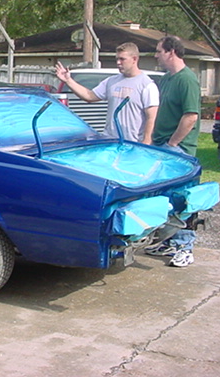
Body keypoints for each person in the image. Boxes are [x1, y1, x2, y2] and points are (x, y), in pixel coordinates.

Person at [145, 35, 201, 267]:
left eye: (159, 51)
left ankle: (185, 248)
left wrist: (173, 144)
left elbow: (191, 117)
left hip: (178, 150)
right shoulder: (167, 79)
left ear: (171, 52)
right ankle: (169, 241)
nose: (156, 55)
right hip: (162, 148)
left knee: (182, 198)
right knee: (164, 198)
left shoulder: (187, 80)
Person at [55, 42, 159, 143]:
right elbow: (89, 96)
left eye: (122, 59)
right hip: (110, 141)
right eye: (117, 59)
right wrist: (68, 80)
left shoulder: (147, 85)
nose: (118, 63)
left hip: (133, 144)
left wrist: (146, 142)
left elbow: (152, 118)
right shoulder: (111, 81)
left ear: (134, 59)